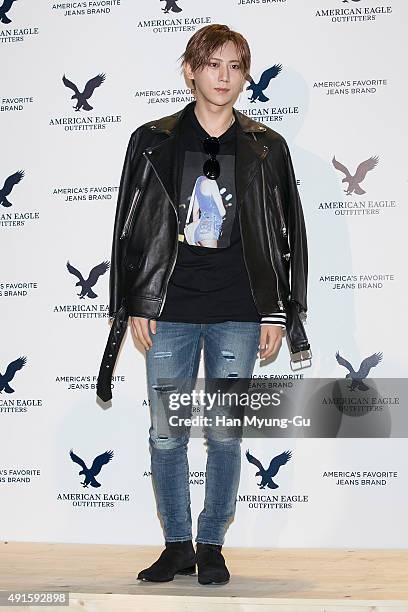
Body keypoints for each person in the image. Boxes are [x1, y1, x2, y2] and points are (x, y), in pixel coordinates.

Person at [97, 24, 308, 585]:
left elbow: (290, 235)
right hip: (168, 309)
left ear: (245, 76)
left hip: (240, 311)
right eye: (213, 64)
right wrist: (135, 303)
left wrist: (278, 310)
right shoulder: (152, 140)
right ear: (190, 70)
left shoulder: (268, 147)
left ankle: (211, 543)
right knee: (167, 432)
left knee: (224, 433)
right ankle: (176, 545)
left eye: (236, 66)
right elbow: (129, 230)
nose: (224, 77)